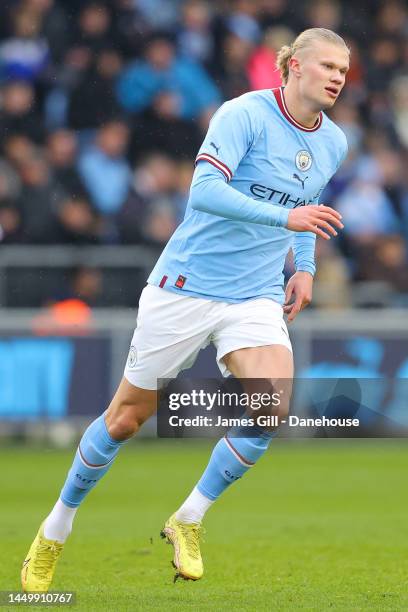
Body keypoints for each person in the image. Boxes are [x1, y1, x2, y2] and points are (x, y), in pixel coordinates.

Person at [21, 27, 349, 590]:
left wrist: (304, 267)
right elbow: (203, 191)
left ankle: (189, 517)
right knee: (125, 419)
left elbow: (305, 207)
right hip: (186, 285)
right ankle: (55, 530)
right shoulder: (243, 114)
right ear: (293, 66)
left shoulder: (334, 142)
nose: (338, 77)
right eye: (327, 66)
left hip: (254, 295)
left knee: (271, 411)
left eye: (344, 69)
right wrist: (286, 221)